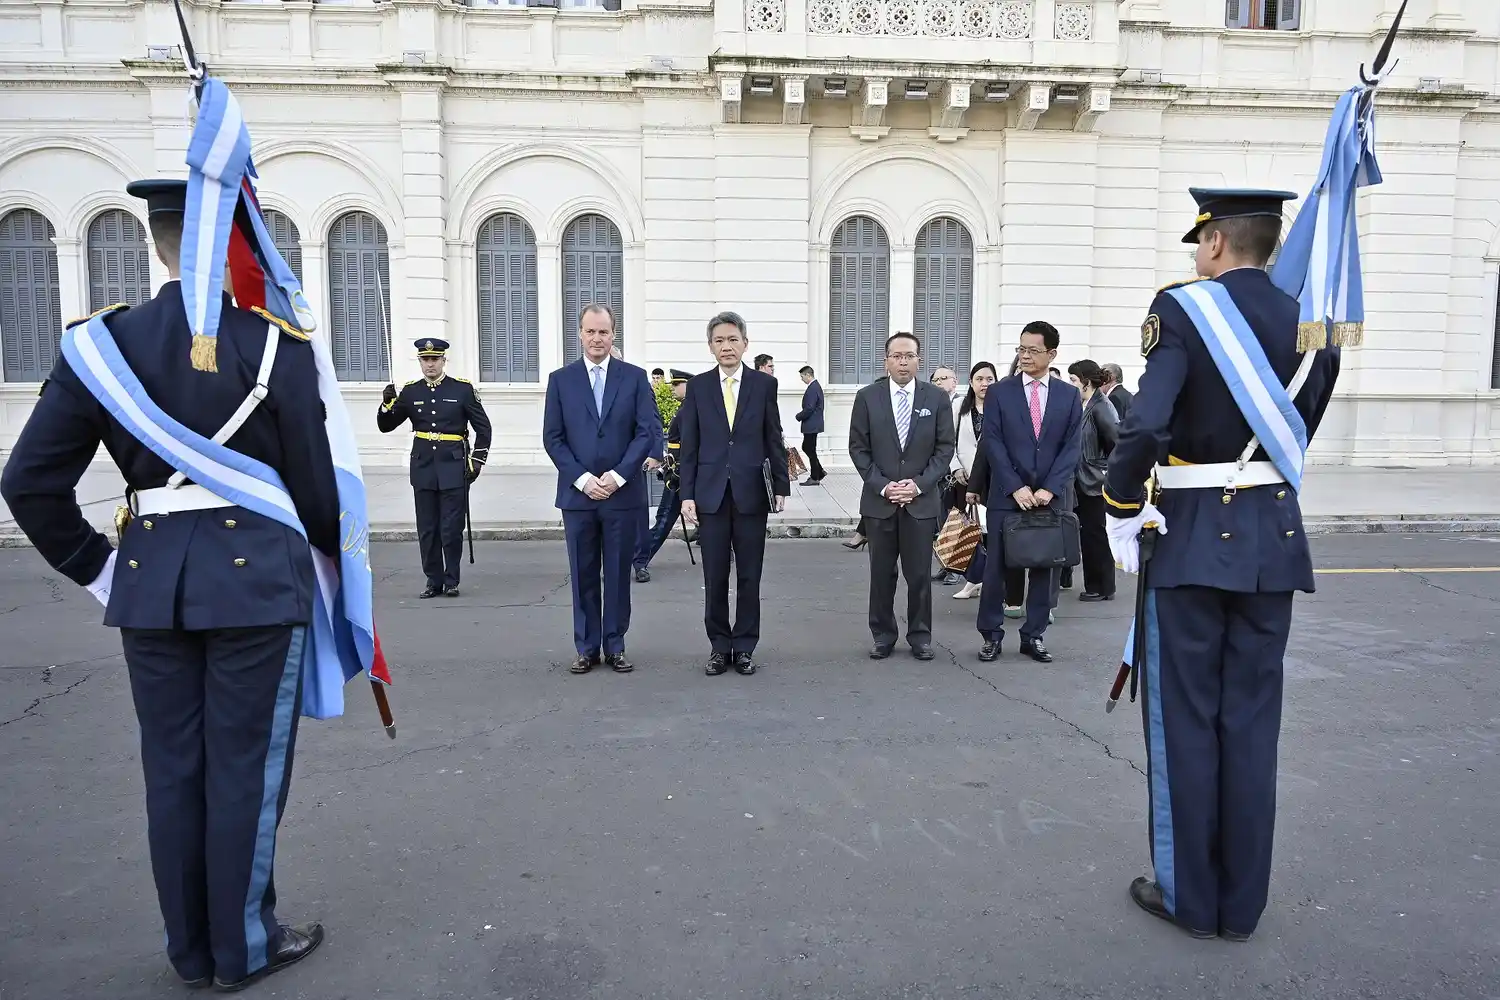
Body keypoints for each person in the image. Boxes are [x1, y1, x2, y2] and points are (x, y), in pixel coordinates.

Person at [0, 177, 339, 990]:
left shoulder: (101, 347)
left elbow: (27, 484)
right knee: (244, 769)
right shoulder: (275, 346)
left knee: (174, 770)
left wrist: (103, 571)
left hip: (151, 583)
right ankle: (244, 948)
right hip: (256, 581)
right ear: (230, 244)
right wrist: (332, 566)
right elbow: (318, 493)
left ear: (155, 243)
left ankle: (190, 951)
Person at [1104, 188, 1340, 942]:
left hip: (1193, 539)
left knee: (1186, 724)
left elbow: (1145, 421)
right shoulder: (1313, 321)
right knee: (1250, 727)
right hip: (1274, 540)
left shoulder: (1185, 310)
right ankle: (1240, 906)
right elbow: (1301, 424)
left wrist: (1118, 502)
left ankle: (1187, 895)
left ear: (1214, 243)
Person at [542, 303, 661, 675]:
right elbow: (553, 437)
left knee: (617, 573)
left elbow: (646, 431)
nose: (597, 339)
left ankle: (615, 644)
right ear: (579, 333)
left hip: (622, 495)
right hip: (578, 497)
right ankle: (586, 646)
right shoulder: (561, 380)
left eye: (604, 332)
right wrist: (582, 479)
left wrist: (618, 476)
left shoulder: (635, 378)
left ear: (614, 335)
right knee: (583, 573)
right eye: (590, 332)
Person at [678, 311, 789, 676]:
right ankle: (718, 646)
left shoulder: (763, 385)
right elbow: (690, 444)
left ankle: (744, 646)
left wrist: (781, 485)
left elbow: (773, 437)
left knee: (749, 575)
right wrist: (686, 494)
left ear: (745, 342)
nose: (726, 346)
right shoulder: (698, 387)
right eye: (719, 341)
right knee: (714, 576)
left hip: (751, 493)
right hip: (709, 493)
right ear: (710, 346)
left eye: (732, 339)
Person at [973, 321, 1082, 664]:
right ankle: (991, 636)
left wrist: (1050, 489)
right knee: (997, 571)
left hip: (1050, 499)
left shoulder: (1068, 395)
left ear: (1051, 354)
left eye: (1033, 350)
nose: (1025, 356)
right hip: (1007, 496)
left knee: (1043, 569)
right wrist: (1015, 486)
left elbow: (1072, 447)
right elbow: (992, 442)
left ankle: (1033, 635)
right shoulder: (1000, 392)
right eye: (1021, 349)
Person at [848, 332, 957, 661]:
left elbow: (944, 449)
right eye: (897, 356)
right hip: (880, 503)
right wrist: (884, 486)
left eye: (909, 356)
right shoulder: (867, 397)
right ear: (886, 360)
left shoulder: (935, 398)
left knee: (920, 574)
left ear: (918, 360)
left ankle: (920, 636)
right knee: (882, 574)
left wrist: (918, 485)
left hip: (920, 503)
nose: (903, 361)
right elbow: (859, 448)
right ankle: (882, 635)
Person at [377, 338, 492, 598]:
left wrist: (477, 461)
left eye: (435, 359)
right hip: (423, 466)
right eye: (425, 360)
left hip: (454, 465)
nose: (430, 364)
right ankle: (433, 580)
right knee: (427, 528)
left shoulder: (462, 390)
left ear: (443, 361)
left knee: (451, 528)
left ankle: (451, 580)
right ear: (419, 361)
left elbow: (483, 428)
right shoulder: (410, 392)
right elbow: (387, 425)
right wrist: (387, 404)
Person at [1066, 359, 1120, 602]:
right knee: (1091, 534)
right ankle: (1098, 585)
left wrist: (1105, 470)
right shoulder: (1089, 403)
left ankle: (1100, 586)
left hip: (1094, 483)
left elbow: (1117, 443)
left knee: (1095, 535)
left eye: (1073, 380)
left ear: (1086, 382)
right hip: (1086, 480)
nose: (1071, 384)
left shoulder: (1100, 407)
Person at [632, 368, 691, 581]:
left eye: (677, 384)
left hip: (684, 474)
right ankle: (640, 560)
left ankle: (640, 559)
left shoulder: (689, 411)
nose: (673, 388)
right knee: (665, 519)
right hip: (679, 473)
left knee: (665, 519)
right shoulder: (685, 409)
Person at [951, 361, 997, 600]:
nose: (984, 384)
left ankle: (991, 582)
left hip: (993, 480)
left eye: (989, 379)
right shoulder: (960, 405)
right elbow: (947, 440)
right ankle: (972, 580)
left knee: (992, 534)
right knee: (967, 531)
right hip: (965, 478)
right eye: (979, 379)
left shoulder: (1000, 406)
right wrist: (956, 467)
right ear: (971, 382)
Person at [795, 365, 826, 485]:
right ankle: (818, 472)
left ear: (808, 375)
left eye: (802, 376)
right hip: (813, 424)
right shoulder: (815, 386)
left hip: (811, 424)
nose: (802, 379)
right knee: (809, 448)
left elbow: (809, 408)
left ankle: (815, 476)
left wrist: (799, 416)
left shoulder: (813, 388)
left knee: (808, 448)